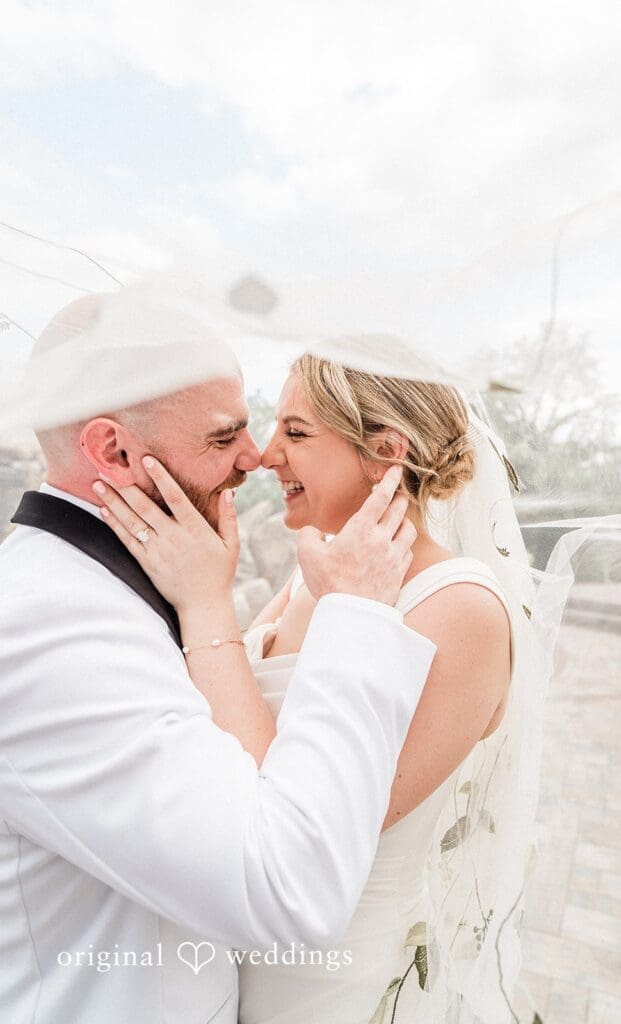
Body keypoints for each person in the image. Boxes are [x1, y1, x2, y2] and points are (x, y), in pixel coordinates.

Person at [0, 293, 438, 1024]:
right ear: (110, 450)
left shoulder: (141, 572)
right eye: (221, 436)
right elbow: (288, 888)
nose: (252, 458)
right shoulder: (49, 624)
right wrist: (355, 614)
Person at [98, 352, 535, 1023]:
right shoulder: (320, 573)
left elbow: (309, 826)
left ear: (386, 455)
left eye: (296, 434)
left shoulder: (459, 609)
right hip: (220, 955)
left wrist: (206, 601)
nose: (266, 455)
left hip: (323, 983)